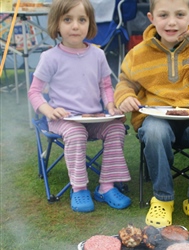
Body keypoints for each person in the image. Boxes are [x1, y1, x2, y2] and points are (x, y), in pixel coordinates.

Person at [114, 0, 189, 232]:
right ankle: (163, 198)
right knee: (154, 130)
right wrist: (124, 97)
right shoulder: (138, 54)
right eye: (164, 15)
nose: (171, 22)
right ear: (151, 18)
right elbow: (124, 83)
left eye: (179, 15)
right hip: (156, 119)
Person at [28, 0, 131, 213]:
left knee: (116, 128)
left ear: (90, 24)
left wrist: (111, 105)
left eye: (81, 20)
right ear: (57, 24)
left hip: (93, 117)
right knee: (75, 133)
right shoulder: (50, 58)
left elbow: (105, 86)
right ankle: (79, 188)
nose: (75, 26)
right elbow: (34, 92)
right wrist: (48, 110)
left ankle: (106, 186)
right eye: (68, 19)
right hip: (63, 120)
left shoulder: (98, 55)